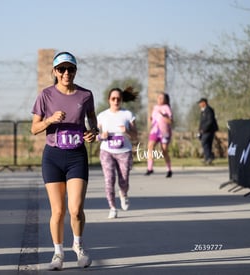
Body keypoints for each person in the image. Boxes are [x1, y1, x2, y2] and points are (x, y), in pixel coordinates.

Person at [31, 51, 98, 270]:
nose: (66, 73)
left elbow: (92, 123)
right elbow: (34, 129)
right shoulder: (46, 95)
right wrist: (50, 119)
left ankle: (78, 247)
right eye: (61, 69)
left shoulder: (85, 95)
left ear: (75, 71)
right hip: (53, 156)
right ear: (54, 72)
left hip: (77, 156)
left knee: (76, 209)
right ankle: (58, 254)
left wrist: (92, 132)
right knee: (58, 211)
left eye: (70, 69)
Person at [96, 87, 138, 219]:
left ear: (122, 100)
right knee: (109, 180)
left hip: (124, 151)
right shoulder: (102, 116)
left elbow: (135, 136)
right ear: (109, 100)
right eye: (113, 98)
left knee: (124, 180)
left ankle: (123, 194)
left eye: (118, 99)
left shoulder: (128, 115)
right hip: (107, 151)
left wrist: (127, 131)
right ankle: (112, 207)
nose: (116, 101)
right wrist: (101, 136)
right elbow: (95, 136)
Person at [145, 92, 173, 178]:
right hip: (155, 130)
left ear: (165, 99)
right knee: (150, 146)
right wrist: (151, 119)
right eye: (158, 98)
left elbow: (171, 121)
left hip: (164, 131)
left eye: (162, 98)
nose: (160, 99)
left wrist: (165, 116)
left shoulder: (167, 108)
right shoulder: (155, 108)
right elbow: (154, 118)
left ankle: (169, 169)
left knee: (164, 150)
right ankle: (150, 168)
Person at [198, 97, 218, 165]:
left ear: (204, 103)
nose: (199, 105)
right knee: (207, 144)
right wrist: (200, 130)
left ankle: (209, 158)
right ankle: (208, 158)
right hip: (205, 131)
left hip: (209, 131)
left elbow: (210, 121)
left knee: (205, 143)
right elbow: (202, 122)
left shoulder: (209, 110)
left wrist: (203, 129)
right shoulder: (203, 111)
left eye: (200, 103)